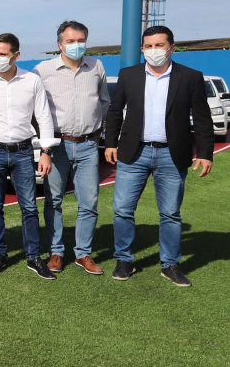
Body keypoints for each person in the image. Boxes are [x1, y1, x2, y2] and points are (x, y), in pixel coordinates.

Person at [105, 25, 213, 287]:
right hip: (134, 153)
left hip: (171, 155)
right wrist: (110, 143)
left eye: (160, 45)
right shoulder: (129, 75)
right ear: (142, 49)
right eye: (149, 46)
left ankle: (170, 264)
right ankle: (124, 260)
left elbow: (201, 118)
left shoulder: (190, 77)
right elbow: (115, 111)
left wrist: (206, 152)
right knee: (122, 209)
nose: (154, 51)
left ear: (171, 47)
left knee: (170, 213)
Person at [0, 33, 59, 279]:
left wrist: (45, 152)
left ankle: (34, 256)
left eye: (3, 54)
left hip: (24, 152)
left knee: (29, 208)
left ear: (16, 55)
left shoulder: (32, 81)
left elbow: (44, 117)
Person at [32, 21, 110, 275]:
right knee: (53, 201)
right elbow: (33, 108)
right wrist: (44, 139)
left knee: (89, 202)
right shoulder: (43, 70)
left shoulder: (96, 67)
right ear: (59, 44)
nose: (76, 45)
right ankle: (56, 252)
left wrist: (97, 132)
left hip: (88, 145)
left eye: (80, 40)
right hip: (57, 146)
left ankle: (83, 254)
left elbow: (104, 103)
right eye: (70, 41)